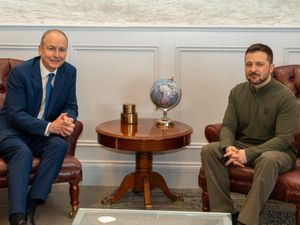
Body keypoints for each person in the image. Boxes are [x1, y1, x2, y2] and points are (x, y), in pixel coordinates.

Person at [201, 43, 297, 225]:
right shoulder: (237, 91)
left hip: (279, 152)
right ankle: (224, 214)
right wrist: (229, 147)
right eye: (248, 64)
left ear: (271, 67)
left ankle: (246, 221)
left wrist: (247, 154)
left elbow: (284, 139)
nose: (253, 69)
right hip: (244, 147)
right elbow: (228, 126)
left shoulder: (285, 97)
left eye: (259, 64)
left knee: (267, 159)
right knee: (210, 151)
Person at [0, 29, 78, 225]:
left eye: (62, 50)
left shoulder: (69, 72)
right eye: (51, 48)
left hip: (39, 132)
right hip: (10, 130)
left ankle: (32, 204)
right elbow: (15, 115)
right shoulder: (21, 73)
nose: (57, 55)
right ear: (40, 49)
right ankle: (17, 217)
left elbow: (71, 105)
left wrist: (67, 120)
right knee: (22, 152)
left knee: (59, 145)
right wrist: (52, 127)